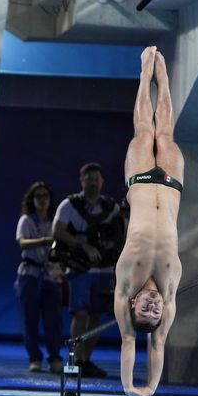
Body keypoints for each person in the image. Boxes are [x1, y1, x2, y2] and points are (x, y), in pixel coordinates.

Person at [114, 46, 183, 396]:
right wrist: (152, 388)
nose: (153, 308)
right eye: (155, 313)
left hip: (140, 183)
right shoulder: (168, 292)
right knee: (166, 134)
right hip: (171, 185)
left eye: (146, 309)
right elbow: (158, 341)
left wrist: (130, 387)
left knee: (144, 132)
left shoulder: (126, 284)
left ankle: (144, 71)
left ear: (133, 304)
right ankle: (165, 75)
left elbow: (130, 340)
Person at [53, 162, 121, 378]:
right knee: (80, 313)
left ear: (102, 182)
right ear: (81, 181)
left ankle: (86, 360)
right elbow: (58, 231)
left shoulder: (112, 208)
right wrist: (82, 245)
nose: (92, 183)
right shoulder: (69, 205)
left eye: (96, 179)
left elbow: (122, 235)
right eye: (88, 179)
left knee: (97, 315)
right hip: (80, 268)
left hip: (104, 269)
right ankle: (74, 359)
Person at [15, 182, 64, 373]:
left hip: (52, 274)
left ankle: (54, 357)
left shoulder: (56, 221)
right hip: (30, 274)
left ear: (50, 200)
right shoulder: (26, 220)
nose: (42, 200)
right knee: (30, 319)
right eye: (38, 196)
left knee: (53, 320)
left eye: (45, 196)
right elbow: (22, 243)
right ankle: (34, 358)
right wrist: (43, 241)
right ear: (32, 200)